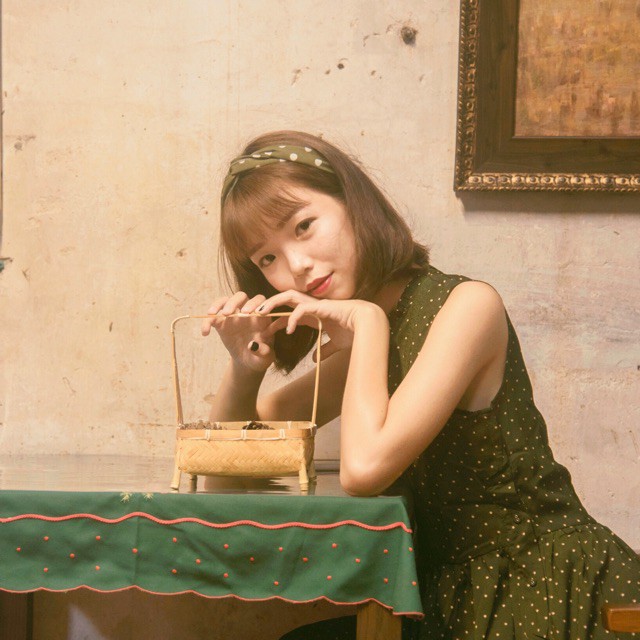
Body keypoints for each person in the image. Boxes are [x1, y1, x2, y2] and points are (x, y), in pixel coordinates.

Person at [201, 130, 640, 639]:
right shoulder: (374, 334)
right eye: (267, 259)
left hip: (544, 586)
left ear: (354, 203)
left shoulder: (466, 307)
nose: (295, 267)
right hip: (453, 594)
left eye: (303, 226)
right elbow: (228, 470)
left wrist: (365, 322)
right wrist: (245, 368)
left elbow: (363, 471)